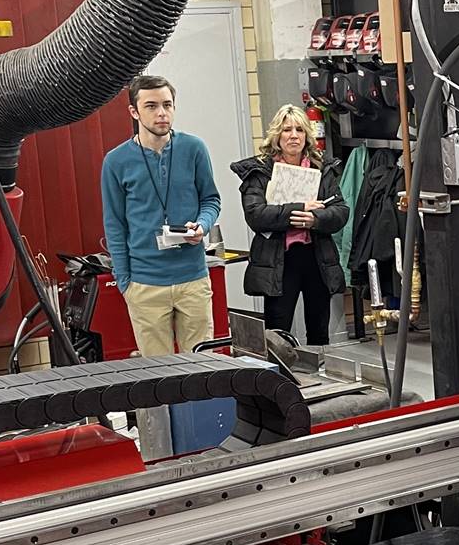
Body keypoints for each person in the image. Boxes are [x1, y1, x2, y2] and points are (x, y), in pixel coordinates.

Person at [102, 74, 222, 357]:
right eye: (152, 106)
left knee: (203, 369)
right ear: (134, 111)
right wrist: (125, 282)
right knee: (159, 378)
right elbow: (115, 225)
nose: (162, 114)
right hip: (145, 284)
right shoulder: (116, 162)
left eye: (167, 105)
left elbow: (211, 199)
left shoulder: (194, 149)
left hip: (192, 279)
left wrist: (203, 226)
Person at [232, 106, 348, 345]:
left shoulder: (321, 168)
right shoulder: (260, 172)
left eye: (299, 129)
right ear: (277, 135)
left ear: (307, 135)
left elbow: (341, 211)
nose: (293, 135)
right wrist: (300, 209)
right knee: (278, 329)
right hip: (278, 259)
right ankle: (279, 378)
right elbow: (256, 215)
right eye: (286, 130)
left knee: (319, 327)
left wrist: (316, 220)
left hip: (316, 257)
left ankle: (321, 376)